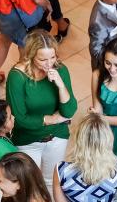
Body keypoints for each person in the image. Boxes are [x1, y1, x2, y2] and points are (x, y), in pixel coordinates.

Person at [8, 30, 76, 190]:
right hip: (28, 139)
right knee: (28, 184)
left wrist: (60, 84)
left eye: (52, 57)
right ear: (31, 56)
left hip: (57, 136)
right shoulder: (17, 77)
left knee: (51, 182)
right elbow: (19, 118)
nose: (49, 63)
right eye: (43, 59)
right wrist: (50, 119)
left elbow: (69, 111)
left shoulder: (60, 70)